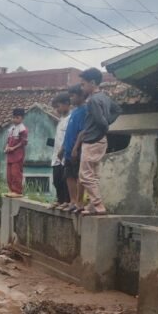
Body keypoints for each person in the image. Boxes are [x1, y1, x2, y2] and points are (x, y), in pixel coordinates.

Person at [77, 67, 120, 216]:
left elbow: (101, 121)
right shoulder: (105, 98)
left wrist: (105, 125)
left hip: (92, 139)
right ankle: (92, 205)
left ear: (92, 83)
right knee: (94, 175)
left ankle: (98, 205)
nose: (82, 87)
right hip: (101, 140)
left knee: (85, 175)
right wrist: (107, 123)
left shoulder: (93, 100)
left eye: (83, 84)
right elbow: (117, 110)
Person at [61, 84, 87, 213]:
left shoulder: (85, 111)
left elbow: (82, 132)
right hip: (68, 149)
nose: (71, 98)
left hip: (76, 149)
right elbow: (68, 132)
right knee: (69, 175)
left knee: (78, 176)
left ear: (81, 96)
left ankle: (79, 201)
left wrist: (76, 148)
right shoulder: (74, 112)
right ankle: (72, 201)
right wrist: (62, 149)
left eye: (73, 96)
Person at [49, 93, 71, 207]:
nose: (57, 109)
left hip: (64, 153)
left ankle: (67, 201)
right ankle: (60, 199)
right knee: (56, 179)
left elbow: (68, 137)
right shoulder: (61, 119)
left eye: (58, 106)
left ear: (66, 104)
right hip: (56, 154)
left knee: (65, 179)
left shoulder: (70, 119)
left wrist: (62, 150)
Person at [4, 108, 28, 197]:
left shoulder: (23, 129)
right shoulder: (11, 129)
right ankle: (11, 189)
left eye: (17, 117)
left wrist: (13, 148)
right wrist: (7, 147)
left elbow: (23, 142)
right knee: (9, 174)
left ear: (22, 118)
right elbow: (8, 140)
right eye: (13, 117)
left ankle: (17, 191)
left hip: (18, 155)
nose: (15, 119)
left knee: (16, 173)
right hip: (10, 155)